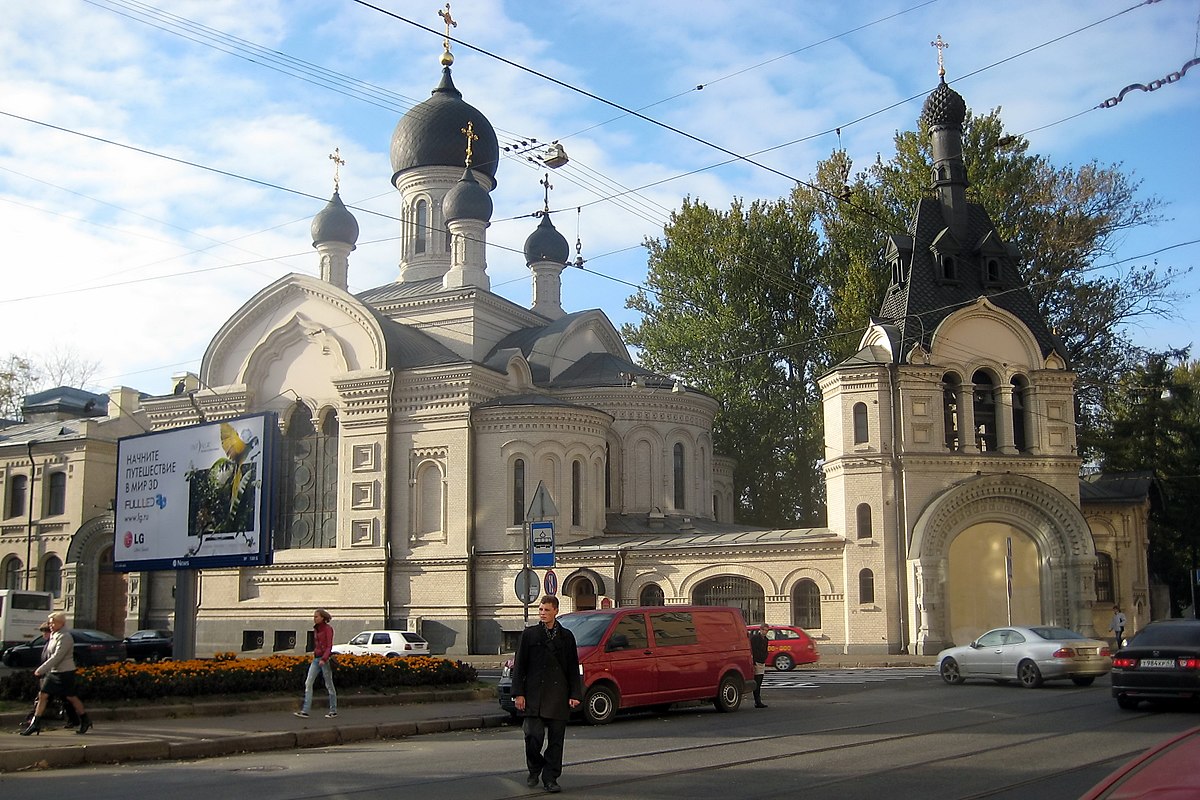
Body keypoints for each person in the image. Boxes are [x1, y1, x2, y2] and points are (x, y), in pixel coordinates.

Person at [511, 595, 582, 793]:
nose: (542, 613)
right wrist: (519, 694)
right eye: (541, 610)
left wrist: (575, 694)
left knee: (556, 741)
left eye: (546, 610)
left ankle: (551, 778)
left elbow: (572, 668)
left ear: (556, 611)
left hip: (559, 695)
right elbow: (520, 666)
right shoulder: (530, 635)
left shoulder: (566, 636)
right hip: (534, 695)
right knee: (533, 736)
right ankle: (535, 768)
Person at [21, 612, 91, 736]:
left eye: (53, 622)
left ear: (61, 623)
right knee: (43, 695)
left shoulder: (65, 637)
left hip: (65, 673)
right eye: (50, 623)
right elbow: (49, 654)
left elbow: (57, 656)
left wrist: (41, 669)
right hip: (53, 672)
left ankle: (85, 720)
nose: (51, 625)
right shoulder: (54, 635)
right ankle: (35, 724)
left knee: (71, 697)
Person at [294, 608, 337, 719]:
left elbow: (329, 646)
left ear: (322, 618)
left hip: (325, 660)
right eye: (314, 616)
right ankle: (305, 710)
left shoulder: (328, 629)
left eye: (316, 616)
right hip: (316, 659)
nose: (314, 618)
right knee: (308, 683)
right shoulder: (316, 629)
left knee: (329, 685)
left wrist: (324, 658)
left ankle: (333, 710)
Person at [750, 622, 770, 708]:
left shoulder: (766, 640)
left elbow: (765, 650)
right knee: (757, 682)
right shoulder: (755, 638)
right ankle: (757, 701)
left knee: (760, 681)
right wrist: (753, 661)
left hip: (762, 661)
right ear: (760, 629)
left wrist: (765, 656)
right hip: (756, 661)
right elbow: (753, 650)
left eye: (767, 630)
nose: (765, 632)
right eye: (764, 630)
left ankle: (758, 701)